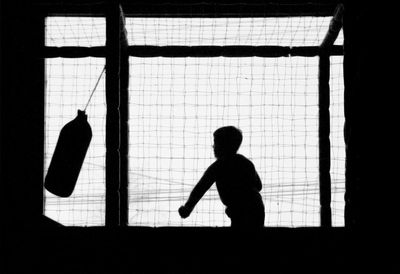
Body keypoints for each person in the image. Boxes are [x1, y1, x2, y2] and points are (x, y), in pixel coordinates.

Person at [179, 126, 265, 228]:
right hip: (257, 206)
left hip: (239, 208)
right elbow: (259, 186)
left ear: (224, 145)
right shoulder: (245, 162)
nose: (213, 146)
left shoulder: (218, 166)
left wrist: (187, 208)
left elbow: (200, 188)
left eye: (216, 143)